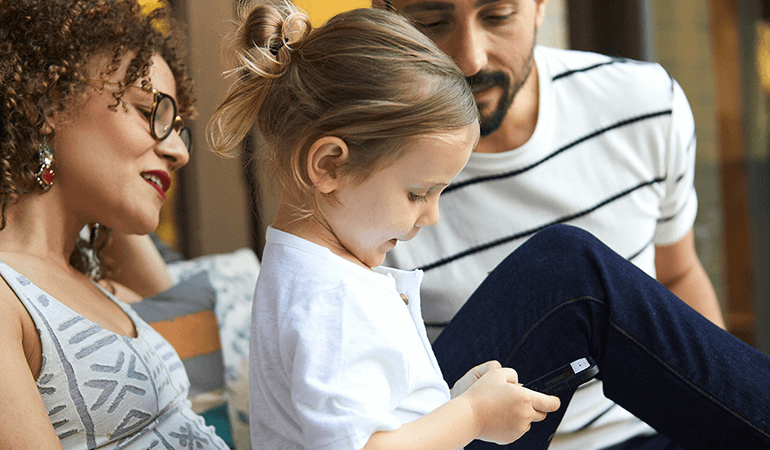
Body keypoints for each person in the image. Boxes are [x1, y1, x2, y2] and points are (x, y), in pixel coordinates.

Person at [209, 2, 770, 450]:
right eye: (418, 194)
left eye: (497, 14)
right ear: (329, 165)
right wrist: (472, 415)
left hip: (635, 432)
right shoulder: (327, 298)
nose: (430, 215)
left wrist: (457, 402)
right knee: (567, 265)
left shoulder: (326, 269)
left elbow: (386, 415)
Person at [374, 1, 725, 448]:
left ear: (540, 6)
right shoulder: (365, 177)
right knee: (568, 264)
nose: (471, 59)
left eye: (498, 16)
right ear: (386, 15)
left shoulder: (646, 104)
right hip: (473, 437)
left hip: (644, 433)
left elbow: (678, 274)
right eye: (432, 22)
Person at [0, 1, 229, 448]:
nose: (180, 152)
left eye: (177, 128)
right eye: (149, 112)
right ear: (47, 106)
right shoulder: (10, 297)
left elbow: (176, 304)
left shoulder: (96, 286)